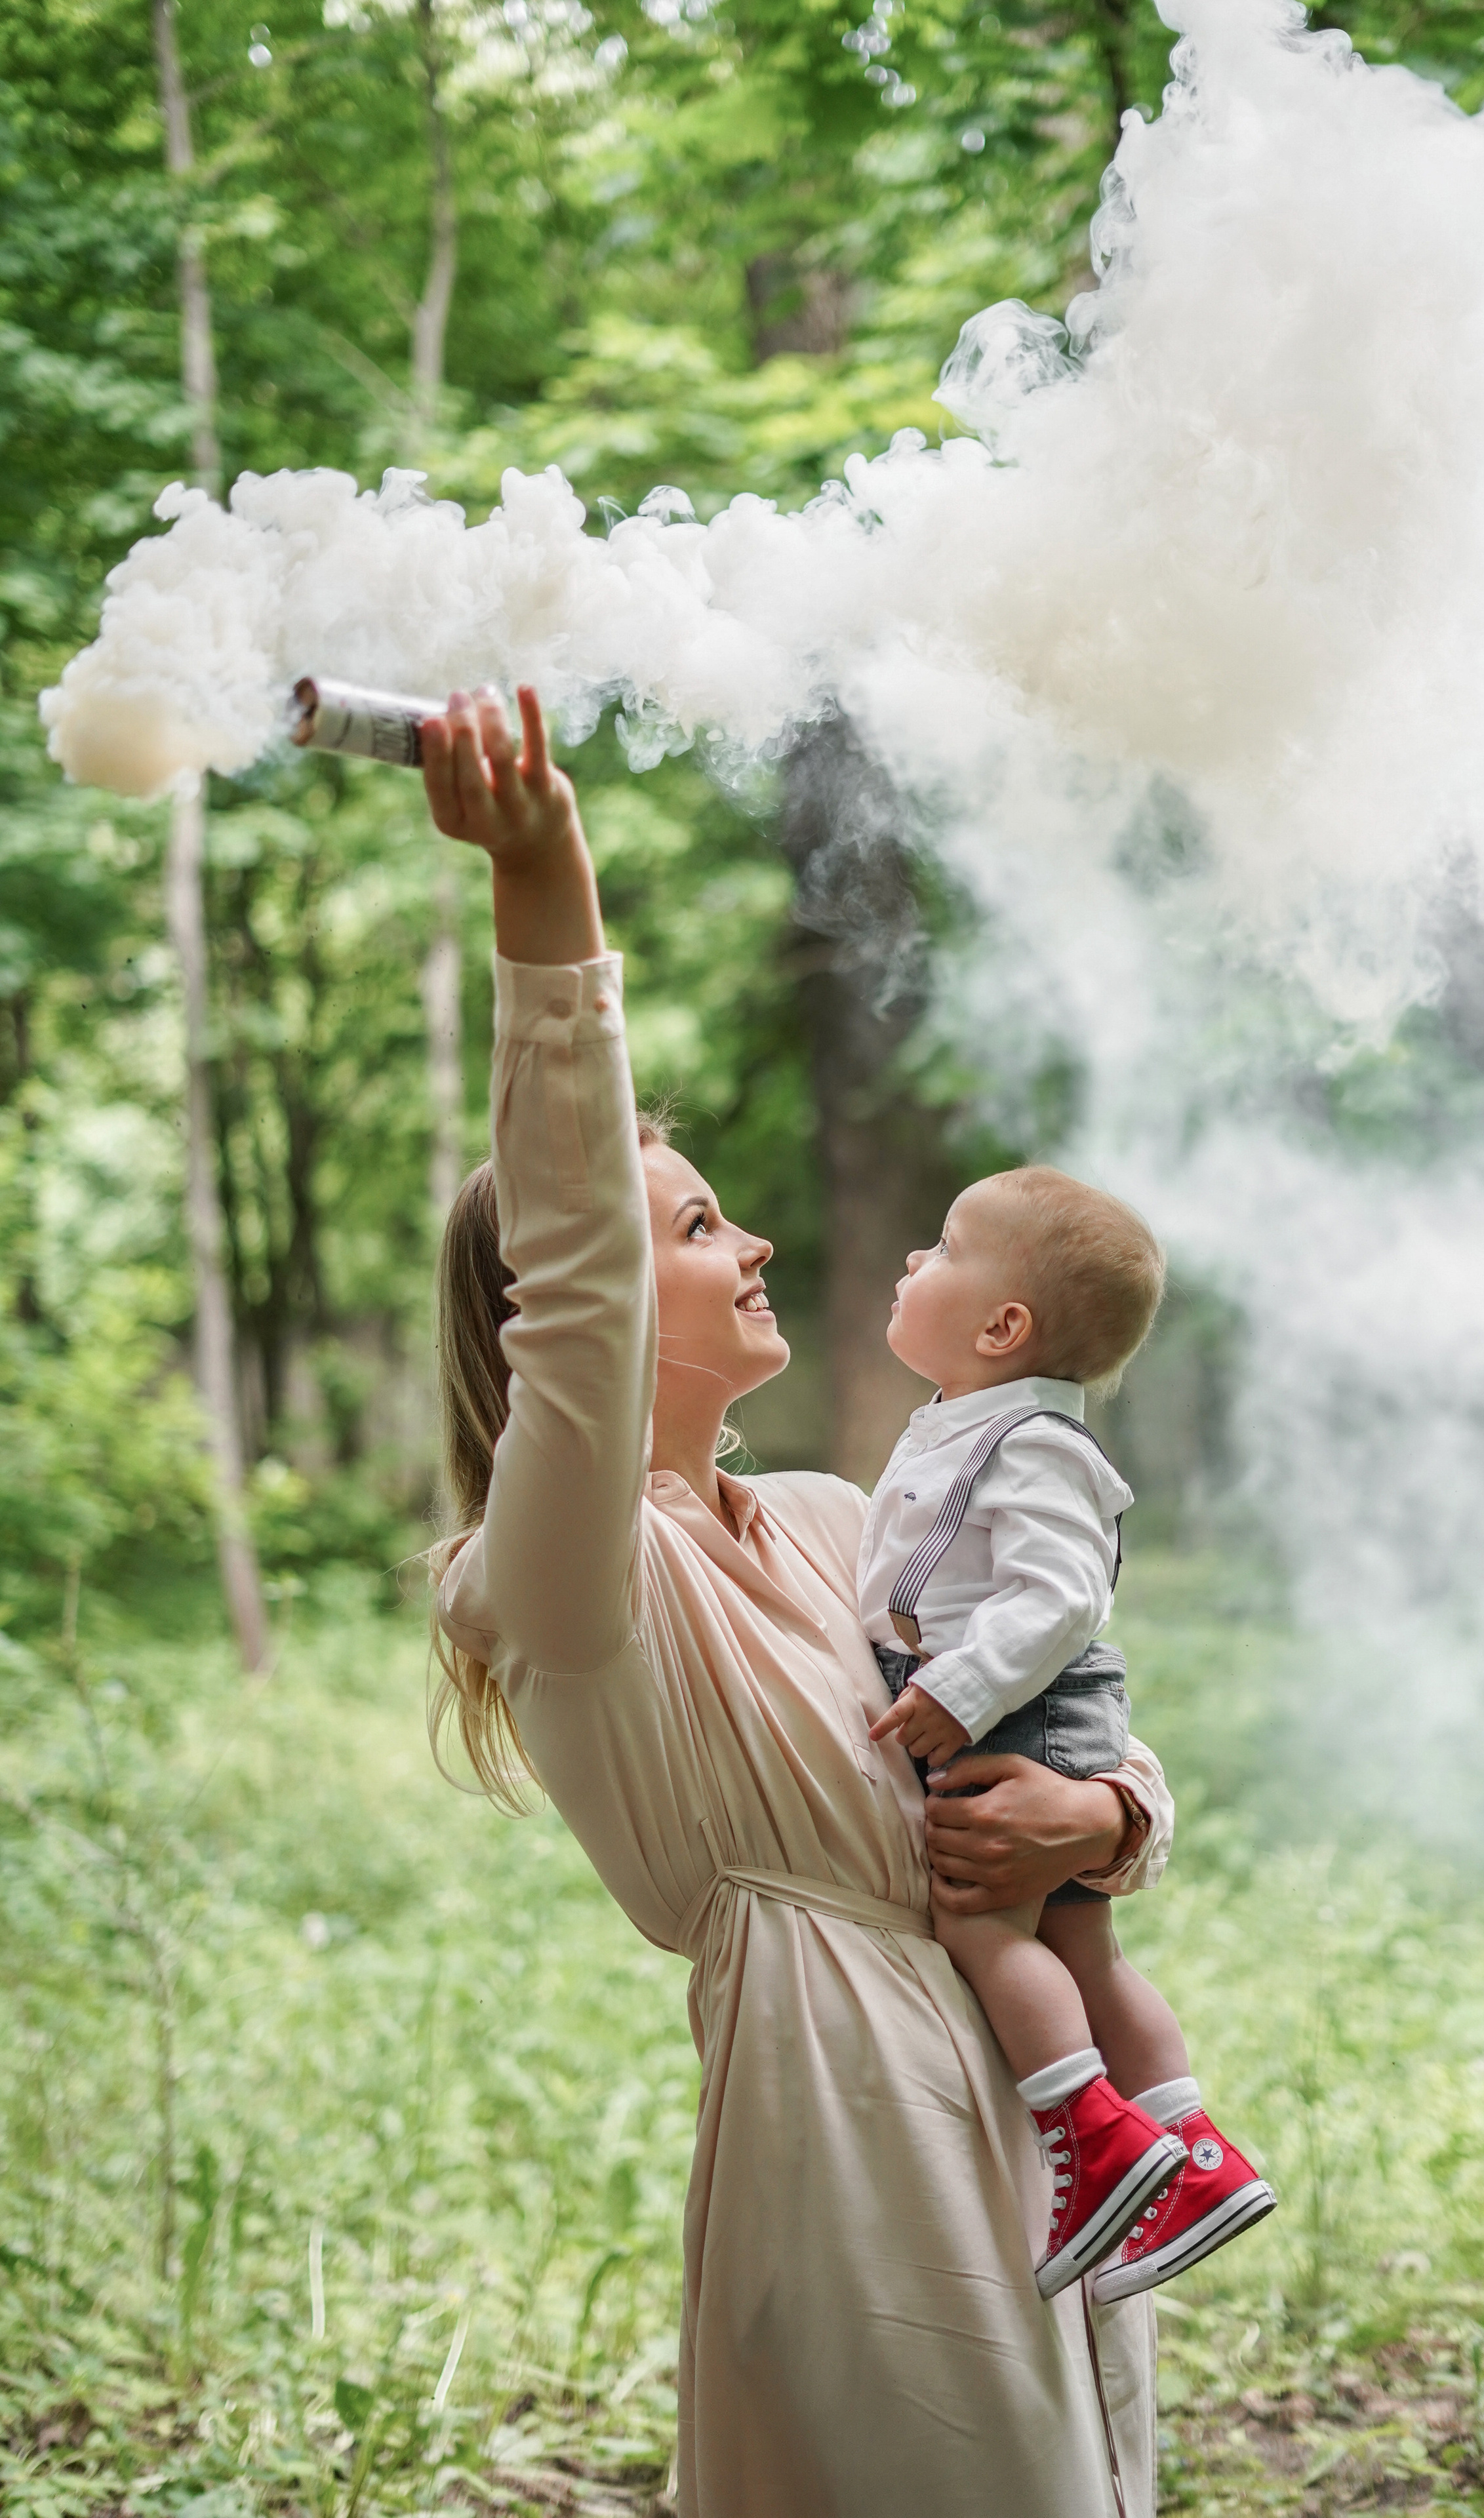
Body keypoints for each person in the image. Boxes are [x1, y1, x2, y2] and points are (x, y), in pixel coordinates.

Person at [422, 684, 1178, 2518]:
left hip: (1030, 2081)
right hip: (843, 2113)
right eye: (692, 1227)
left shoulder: (852, 1518)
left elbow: (1082, 1698)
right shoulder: (556, 1578)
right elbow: (581, 1287)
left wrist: (1107, 1814)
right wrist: (547, 885)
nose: (748, 1241)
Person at [861, 1170, 1275, 2302]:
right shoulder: (976, 1424)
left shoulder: (1029, 1440)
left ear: (1004, 1327)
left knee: (983, 1923)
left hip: (1017, 1704)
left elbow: (1062, 1596)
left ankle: (1092, 2140)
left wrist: (963, 1685)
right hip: (1032, 1701)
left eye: (941, 1248)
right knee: (1086, 1953)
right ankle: (1193, 2156)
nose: (911, 1262)